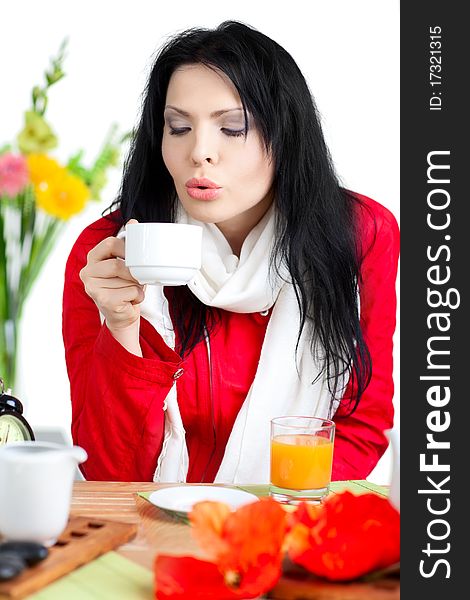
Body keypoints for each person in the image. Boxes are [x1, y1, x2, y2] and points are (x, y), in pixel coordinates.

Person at [62, 20, 399, 483]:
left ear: (285, 135)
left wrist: (255, 521)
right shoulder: (109, 252)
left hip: (285, 523)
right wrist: (121, 329)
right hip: (155, 529)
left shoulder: (361, 233)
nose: (200, 151)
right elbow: (108, 473)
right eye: (178, 127)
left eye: (233, 127)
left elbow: (361, 426)